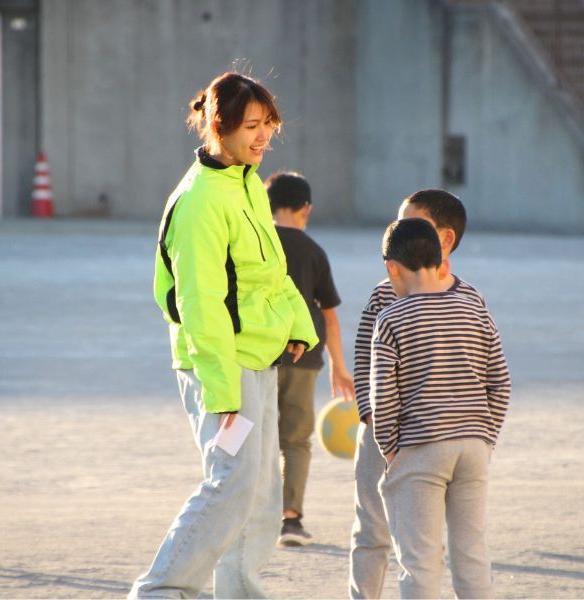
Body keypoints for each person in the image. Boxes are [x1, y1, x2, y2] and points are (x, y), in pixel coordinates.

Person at [129, 72, 319, 599]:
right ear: (218, 126)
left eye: (268, 126)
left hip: (258, 358)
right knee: (230, 483)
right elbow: (200, 305)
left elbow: (272, 271)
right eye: (251, 126)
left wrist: (297, 328)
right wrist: (222, 392)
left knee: (260, 493)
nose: (263, 138)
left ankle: (239, 593)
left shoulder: (248, 184)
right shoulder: (200, 201)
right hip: (221, 365)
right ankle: (162, 591)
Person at [349, 189, 489, 598]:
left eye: (412, 224)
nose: (400, 230)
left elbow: (488, 371)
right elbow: (365, 359)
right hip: (385, 429)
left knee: (442, 551)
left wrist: (485, 432)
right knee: (372, 530)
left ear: (444, 239)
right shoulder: (384, 293)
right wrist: (376, 424)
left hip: (445, 439)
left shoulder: (469, 298)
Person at [370, 217, 511, 598]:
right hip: (473, 446)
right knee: (472, 554)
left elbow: (382, 398)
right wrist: (486, 438)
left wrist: (390, 449)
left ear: (392, 268)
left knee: (420, 562)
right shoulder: (474, 307)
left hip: (420, 448)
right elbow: (500, 382)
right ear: (440, 261)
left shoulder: (390, 319)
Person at [265, 171, 356, 546]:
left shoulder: (255, 244)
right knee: (297, 440)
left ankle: (251, 514)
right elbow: (330, 316)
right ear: (307, 209)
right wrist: (340, 365)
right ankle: (291, 519)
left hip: (257, 355)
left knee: (255, 435)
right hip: (304, 359)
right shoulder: (314, 252)